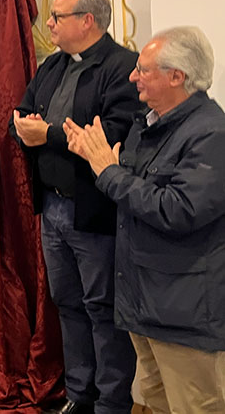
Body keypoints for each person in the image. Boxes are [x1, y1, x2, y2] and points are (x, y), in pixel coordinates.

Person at [63, 26, 225, 414]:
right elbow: (134, 187)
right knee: (156, 401)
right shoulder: (147, 125)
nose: (133, 76)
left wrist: (108, 171)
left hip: (184, 314)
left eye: (144, 69)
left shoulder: (210, 133)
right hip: (144, 303)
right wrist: (100, 160)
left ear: (177, 76)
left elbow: (177, 210)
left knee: (195, 405)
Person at [9, 0, 140, 414]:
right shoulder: (53, 65)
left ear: (87, 21)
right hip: (52, 208)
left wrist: (46, 134)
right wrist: (24, 128)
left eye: (57, 17)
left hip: (94, 210)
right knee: (67, 304)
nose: (48, 24)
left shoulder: (122, 67)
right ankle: (78, 395)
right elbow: (22, 113)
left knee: (103, 309)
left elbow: (113, 135)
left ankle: (111, 403)